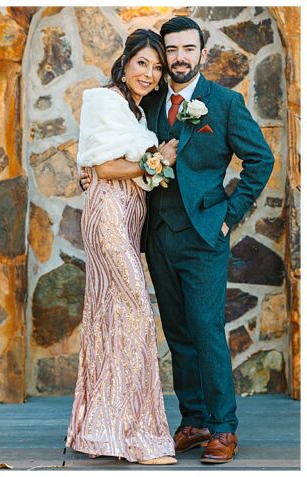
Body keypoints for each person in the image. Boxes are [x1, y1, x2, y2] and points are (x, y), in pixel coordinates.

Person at [81, 17, 274, 465]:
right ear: (164, 55)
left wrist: (228, 216)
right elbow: (115, 148)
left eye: (189, 49)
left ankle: (224, 427)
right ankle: (194, 421)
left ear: (202, 53)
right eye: (172, 50)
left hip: (206, 236)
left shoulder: (224, 103)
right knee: (178, 332)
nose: (180, 58)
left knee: (206, 331)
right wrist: (88, 166)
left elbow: (259, 161)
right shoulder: (146, 104)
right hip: (158, 236)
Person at [67, 29, 178, 466]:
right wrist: (158, 160)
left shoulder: (136, 111)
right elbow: (103, 165)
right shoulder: (103, 99)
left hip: (129, 218)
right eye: (142, 64)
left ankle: (103, 430)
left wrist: (147, 168)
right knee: (134, 312)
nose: (150, 74)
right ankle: (139, 437)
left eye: (156, 67)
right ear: (125, 62)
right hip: (108, 216)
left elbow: (114, 165)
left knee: (114, 318)